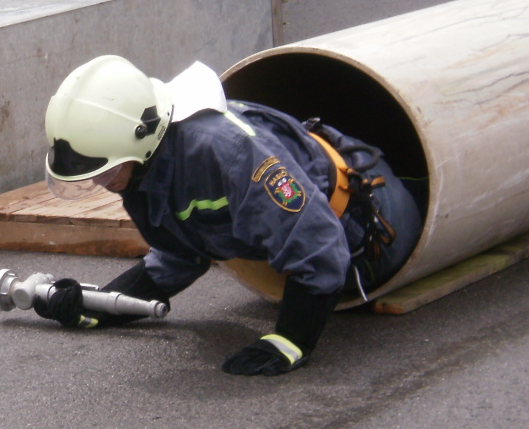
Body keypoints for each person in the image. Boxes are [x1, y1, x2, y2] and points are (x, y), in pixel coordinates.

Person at [35, 55, 425, 376]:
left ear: (142, 137)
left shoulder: (230, 153)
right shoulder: (145, 165)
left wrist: (291, 340)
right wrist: (98, 305)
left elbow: (318, 244)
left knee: (415, 199)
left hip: (369, 234)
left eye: (104, 172)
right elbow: (179, 253)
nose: (101, 182)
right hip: (327, 224)